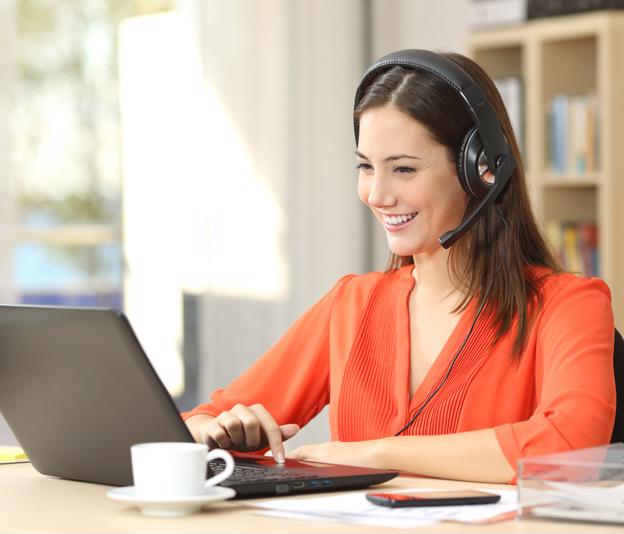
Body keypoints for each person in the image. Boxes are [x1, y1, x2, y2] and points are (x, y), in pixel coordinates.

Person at [181, 50, 616, 484]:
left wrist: (375, 454)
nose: (377, 194)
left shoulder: (569, 305)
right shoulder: (352, 305)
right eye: (366, 167)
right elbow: (202, 418)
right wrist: (208, 430)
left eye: (404, 169)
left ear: (480, 169)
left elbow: (571, 445)